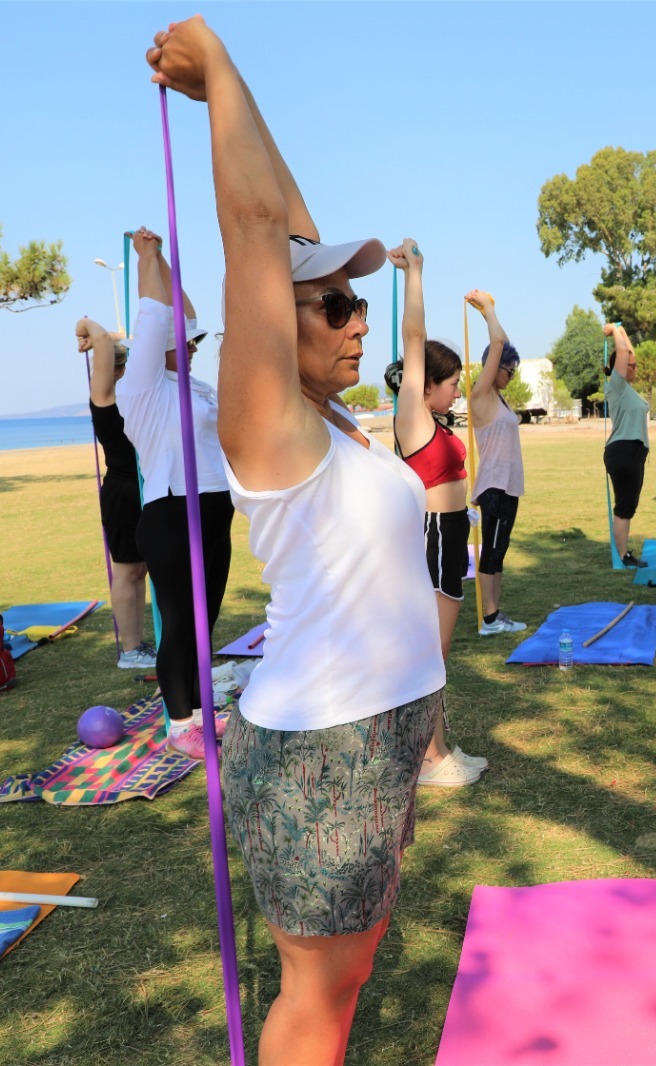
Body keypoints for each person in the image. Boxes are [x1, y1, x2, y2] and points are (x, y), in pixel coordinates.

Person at [150, 19, 445, 1063]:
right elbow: (256, 228)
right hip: (323, 748)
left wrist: (232, 96)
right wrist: (219, 66)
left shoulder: (334, 418)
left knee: (349, 972)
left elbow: (290, 220)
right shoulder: (269, 419)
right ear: (280, 319)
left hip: (378, 735)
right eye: (334, 304)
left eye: (359, 300)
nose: (357, 319)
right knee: (316, 1000)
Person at [121, 226, 232, 758]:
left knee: (205, 619)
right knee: (180, 620)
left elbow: (181, 313)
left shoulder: (196, 387)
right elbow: (153, 319)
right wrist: (146, 258)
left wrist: (167, 261)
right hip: (170, 512)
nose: (191, 344)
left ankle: (202, 706)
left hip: (214, 507)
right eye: (183, 342)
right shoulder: (142, 387)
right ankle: (181, 722)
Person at [384, 252, 488, 789]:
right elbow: (413, 339)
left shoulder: (440, 423)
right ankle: (428, 759)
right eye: (449, 383)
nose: (455, 390)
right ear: (424, 386)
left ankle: (438, 748)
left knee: (437, 656)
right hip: (431, 539)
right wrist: (414, 275)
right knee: (433, 657)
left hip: (450, 537)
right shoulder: (414, 415)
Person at [75, 317, 157, 669]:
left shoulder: (137, 395)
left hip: (147, 486)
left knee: (141, 571)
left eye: (123, 362)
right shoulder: (103, 397)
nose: (119, 368)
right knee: (126, 571)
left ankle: (138, 645)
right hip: (123, 490)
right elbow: (99, 338)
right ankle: (130, 650)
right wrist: (89, 330)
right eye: (115, 362)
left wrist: (110, 337)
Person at [466, 290, 529, 633]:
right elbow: (498, 342)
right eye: (509, 371)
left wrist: (488, 312)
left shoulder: (500, 401)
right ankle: (489, 619)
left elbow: (501, 343)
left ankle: (495, 613)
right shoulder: (481, 395)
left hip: (507, 486)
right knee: (490, 553)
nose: (511, 377)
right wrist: (488, 309)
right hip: (493, 485)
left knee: (498, 552)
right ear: (494, 368)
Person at [601, 323, 650, 567]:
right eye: (632, 366)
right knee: (624, 506)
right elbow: (623, 354)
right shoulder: (616, 385)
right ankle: (622, 557)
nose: (635, 367)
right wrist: (615, 330)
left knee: (628, 505)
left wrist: (621, 330)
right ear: (621, 368)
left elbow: (628, 353)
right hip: (623, 452)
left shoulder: (626, 388)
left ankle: (623, 554)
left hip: (631, 453)